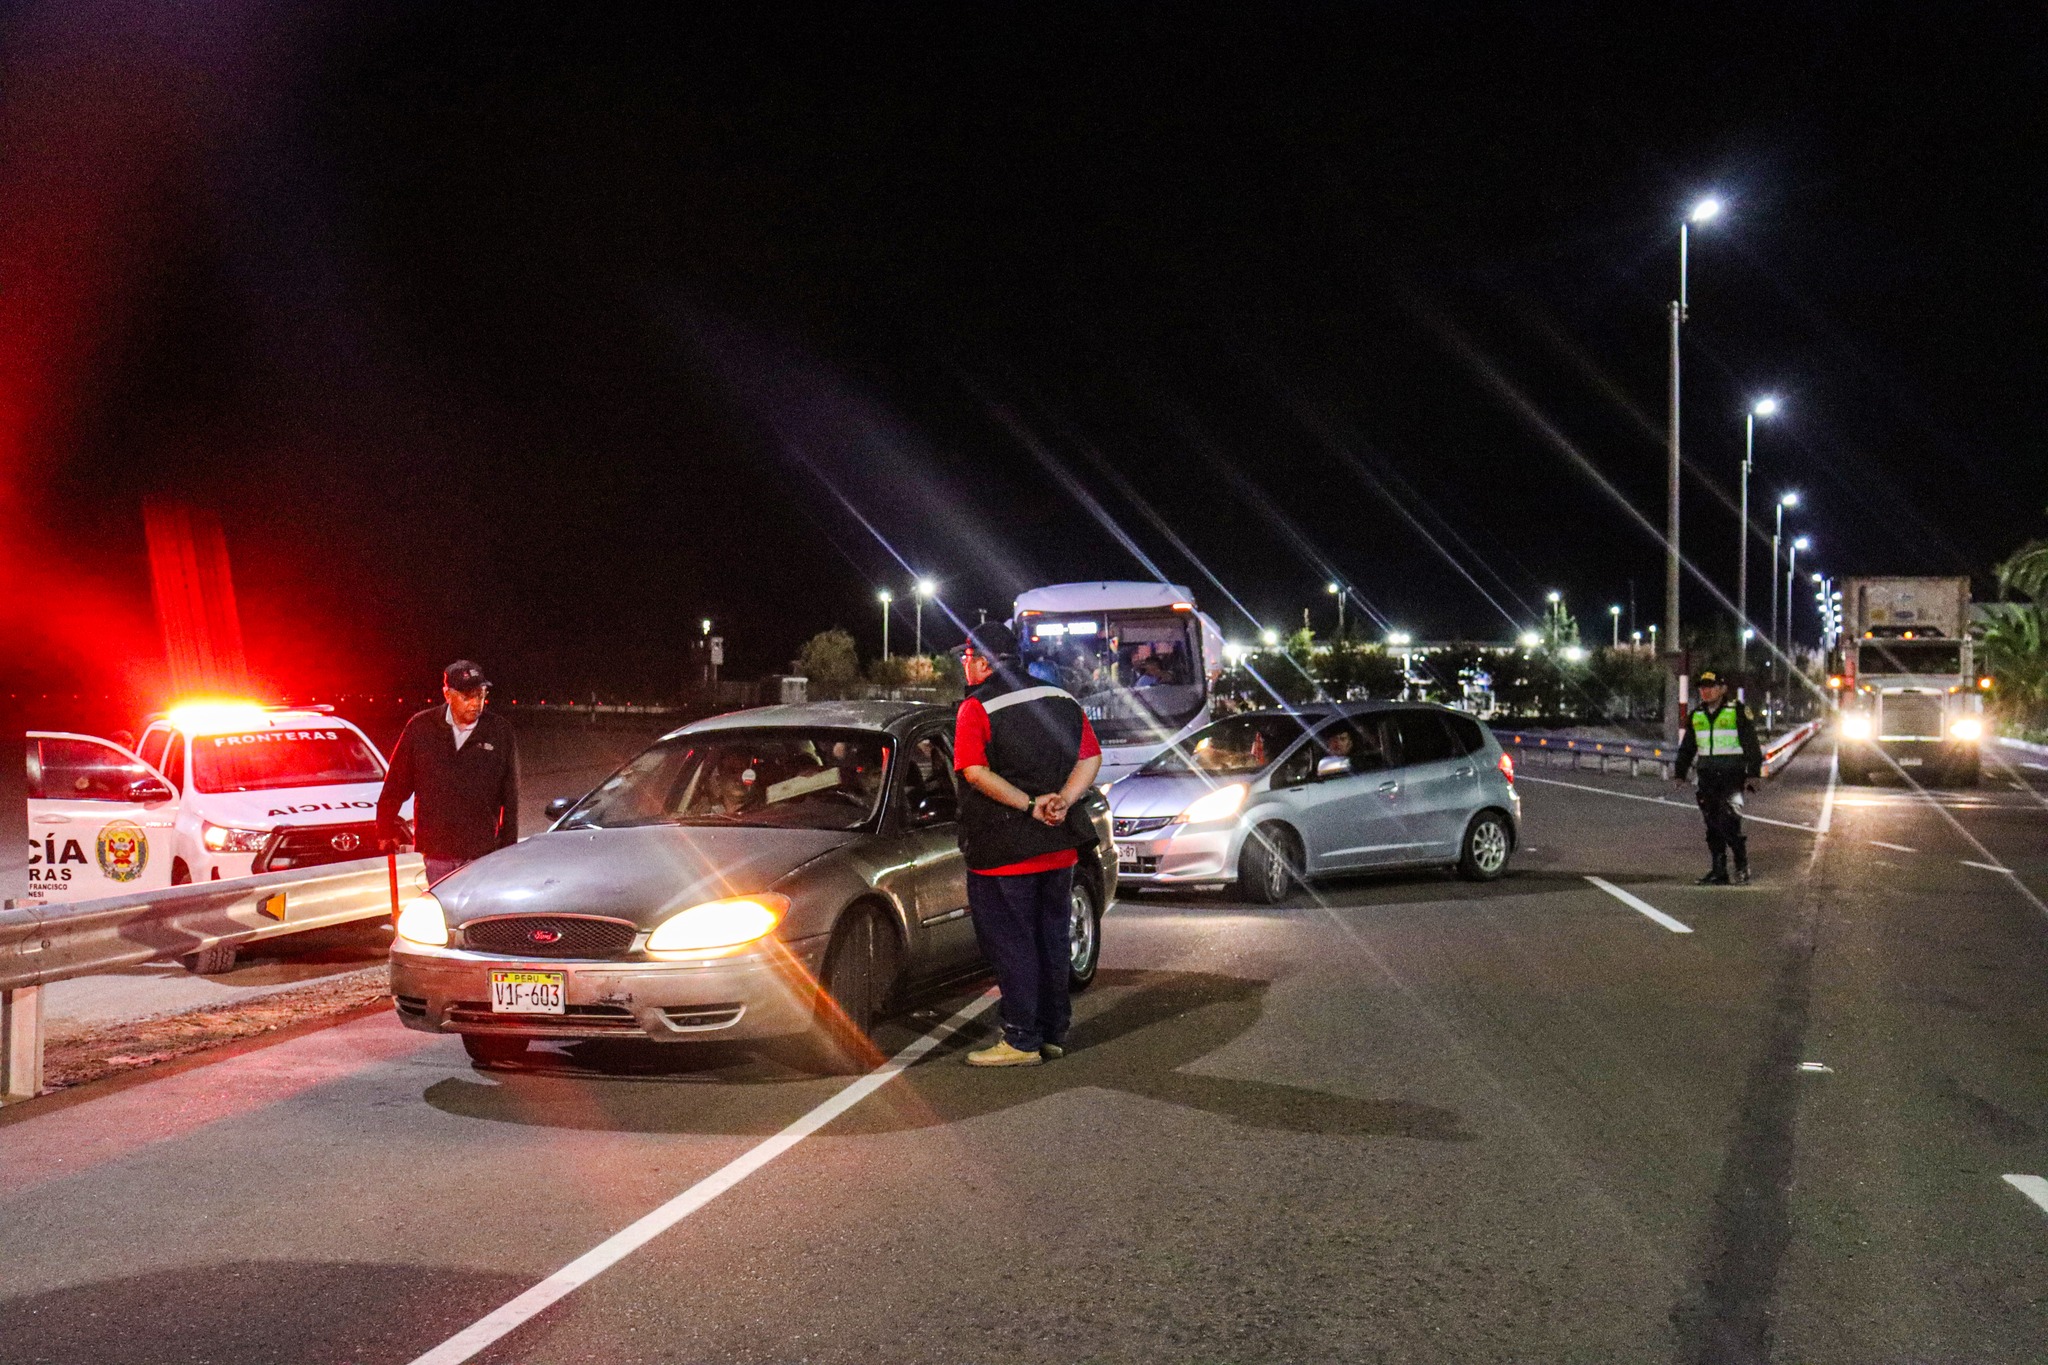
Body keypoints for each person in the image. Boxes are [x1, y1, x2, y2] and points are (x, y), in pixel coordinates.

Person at [952, 622, 1103, 1067]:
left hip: (1002, 852)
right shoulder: (1061, 698)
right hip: (1058, 846)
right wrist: (1063, 801)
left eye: (967, 657)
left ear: (983, 662)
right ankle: (1053, 1033)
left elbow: (974, 772)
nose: (964, 665)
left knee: (1011, 944)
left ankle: (1020, 1039)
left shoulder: (976, 707)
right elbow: (1090, 756)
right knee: (1051, 939)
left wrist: (1030, 804)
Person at [376, 660, 520, 885]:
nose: (476, 703)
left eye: (480, 695)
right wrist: (385, 828)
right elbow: (396, 783)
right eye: (467, 696)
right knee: (442, 903)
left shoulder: (500, 731)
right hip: (438, 849)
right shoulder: (421, 727)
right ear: (448, 694)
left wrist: (508, 845)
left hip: (480, 849)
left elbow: (510, 795)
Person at [1673, 668, 1764, 885]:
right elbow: (1687, 748)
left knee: (1730, 820)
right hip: (1707, 776)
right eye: (1702, 688)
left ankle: (1741, 866)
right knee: (1712, 824)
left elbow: (1752, 745)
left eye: (1711, 687)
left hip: (1732, 776)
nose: (1706, 691)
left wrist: (1753, 774)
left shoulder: (1737, 711)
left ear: (1723, 689)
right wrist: (1680, 773)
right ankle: (1718, 870)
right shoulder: (1697, 715)